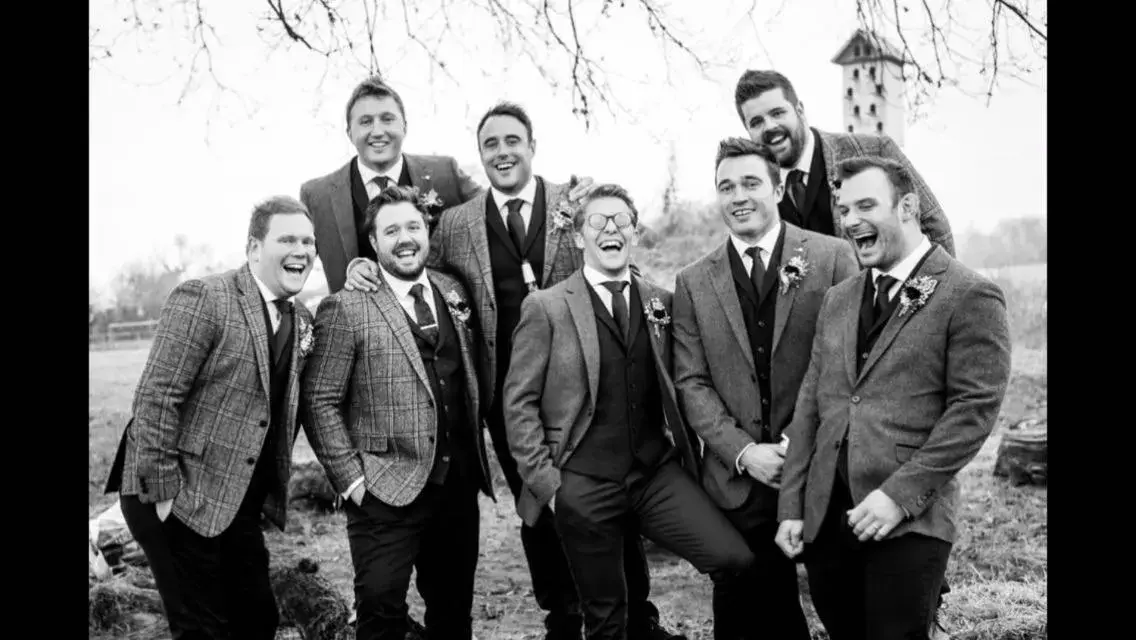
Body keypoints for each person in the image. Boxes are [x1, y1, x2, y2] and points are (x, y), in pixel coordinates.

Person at [343, 103, 679, 640]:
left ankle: (637, 617)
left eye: (512, 141)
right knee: (539, 508)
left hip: (586, 391)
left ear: (531, 146)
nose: (502, 152)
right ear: (481, 155)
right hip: (508, 397)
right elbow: (416, 271)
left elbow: (618, 262)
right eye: (491, 144)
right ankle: (563, 618)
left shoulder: (575, 203)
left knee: (609, 499)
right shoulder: (455, 223)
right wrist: (363, 267)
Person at [504, 183, 756, 640]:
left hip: (654, 474)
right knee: (607, 617)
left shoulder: (662, 301)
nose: (611, 229)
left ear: (635, 234)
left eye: (621, 220)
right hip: (582, 480)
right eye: (598, 221)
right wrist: (550, 485)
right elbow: (518, 403)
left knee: (733, 560)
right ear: (579, 237)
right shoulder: (546, 307)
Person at [774, 157, 1012, 640]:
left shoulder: (969, 294)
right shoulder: (839, 299)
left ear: (907, 207)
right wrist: (792, 506)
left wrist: (898, 498)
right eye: (845, 208)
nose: (850, 220)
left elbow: (972, 412)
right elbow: (810, 407)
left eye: (866, 205)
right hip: (826, 519)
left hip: (909, 521)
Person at [103, 195, 318, 639]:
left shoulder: (300, 320)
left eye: (308, 241)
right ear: (254, 248)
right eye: (287, 238)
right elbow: (156, 398)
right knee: (201, 628)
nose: (302, 249)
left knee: (257, 619)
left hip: (235, 501)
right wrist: (164, 496)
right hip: (172, 490)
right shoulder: (205, 297)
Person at [671, 138, 859, 640]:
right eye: (726, 187)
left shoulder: (833, 257)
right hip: (740, 481)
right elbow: (690, 381)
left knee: (845, 604)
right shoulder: (692, 281)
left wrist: (797, 444)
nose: (739, 196)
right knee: (748, 615)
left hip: (821, 469)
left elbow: (847, 366)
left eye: (751, 183)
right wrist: (743, 452)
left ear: (777, 187)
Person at [301, 185, 495, 640]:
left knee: (452, 614)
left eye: (412, 226)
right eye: (391, 231)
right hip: (383, 490)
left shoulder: (451, 290)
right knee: (380, 611)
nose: (404, 238)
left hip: (456, 487)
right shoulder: (346, 307)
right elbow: (320, 399)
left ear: (427, 230)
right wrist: (352, 481)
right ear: (373, 243)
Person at [733, 69, 956, 259]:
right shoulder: (757, 192)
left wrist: (935, 302)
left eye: (778, 113)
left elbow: (933, 226)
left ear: (800, 110)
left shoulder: (875, 151)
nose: (770, 126)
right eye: (757, 122)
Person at [300, 75, 483, 294]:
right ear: (349, 132)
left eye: (387, 119)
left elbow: (493, 213)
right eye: (366, 121)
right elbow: (292, 257)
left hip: (443, 319)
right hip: (360, 323)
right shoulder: (316, 196)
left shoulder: (445, 173)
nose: (377, 131)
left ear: (404, 126)